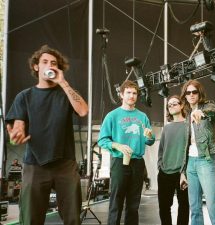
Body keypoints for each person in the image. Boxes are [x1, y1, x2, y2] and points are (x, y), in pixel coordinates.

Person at [5, 45, 89, 225]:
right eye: (44, 62)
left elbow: (83, 111)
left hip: (65, 163)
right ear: (36, 66)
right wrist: (16, 135)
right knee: (30, 218)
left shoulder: (65, 93)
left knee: (73, 217)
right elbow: (17, 127)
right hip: (35, 164)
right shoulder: (24, 96)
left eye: (54, 63)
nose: (49, 65)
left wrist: (63, 82)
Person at [98, 80, 155, 225]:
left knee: (133, 204)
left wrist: (149, 136)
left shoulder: (142, 117)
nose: (132, 96)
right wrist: (116, 145)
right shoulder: (112, 116)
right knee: (116, 202)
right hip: (119, 162)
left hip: (137, 162)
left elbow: (150, 141)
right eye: (128, 92)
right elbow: (102, 140)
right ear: (121, 95)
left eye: (134, 93)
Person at [179, 79, 215, 225]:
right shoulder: (186, 115)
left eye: (194, 92)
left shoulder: (208, 105)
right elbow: (185, 145)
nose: (191, 95)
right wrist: (182, 171)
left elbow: (213, 113)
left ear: (199, 93)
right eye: (188, 92)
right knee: (195, 206)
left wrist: (201, 112)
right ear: (185, 95)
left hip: (205, 159)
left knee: (212, 205)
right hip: (190, 162)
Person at [157, 95, 189, 225]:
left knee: (184, 206)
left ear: (181, 105)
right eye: (169, 105)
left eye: (174, 104)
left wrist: (185, 171)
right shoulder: (167, 128)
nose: (171, 106)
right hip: (165, 173)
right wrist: (160, 165)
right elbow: (161, 149)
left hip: (182, 174)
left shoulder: (188, 126)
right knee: (164, 207)